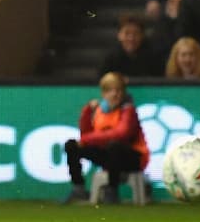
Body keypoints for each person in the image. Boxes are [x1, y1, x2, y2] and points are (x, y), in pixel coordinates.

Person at [62, 72, 149, 204]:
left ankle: (112, 190)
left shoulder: (128, 110)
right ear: (103, 93)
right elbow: (86, 134)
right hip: (108, 155)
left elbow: (121, 134)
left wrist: (86, 140)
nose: (114, 94)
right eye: (110, 90)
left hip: (133, 157)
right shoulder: (99, 111)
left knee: (114, 145)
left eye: (118, 90)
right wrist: (87, 111)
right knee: (71, 145)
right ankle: (78, 187)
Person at [98, 14, 162, 79]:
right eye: (127, 33)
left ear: (142, 36)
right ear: (119, 35)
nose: (131, 38)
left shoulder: (153, 57)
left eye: (136, 33)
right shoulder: (110, 58)